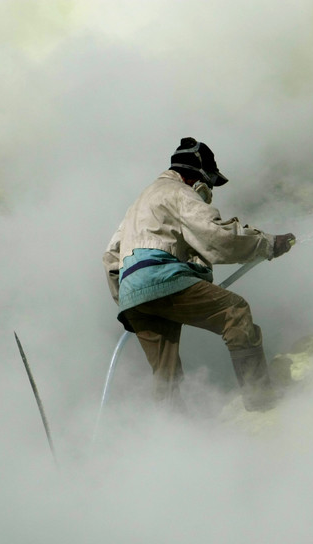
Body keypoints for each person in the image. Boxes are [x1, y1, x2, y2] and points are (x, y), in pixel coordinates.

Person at [103, 137, 296, 412]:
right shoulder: (178, 192)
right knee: (236, 312)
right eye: (211, 183)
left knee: (165, 375)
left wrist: (127, 299)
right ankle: (261, 401)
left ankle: (170, 436)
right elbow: (216, 235)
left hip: (132, 295)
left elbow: (110, 257)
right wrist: (266, 243)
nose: (210, 191)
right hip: (161, 279)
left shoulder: (138, 205)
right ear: (197, 176)